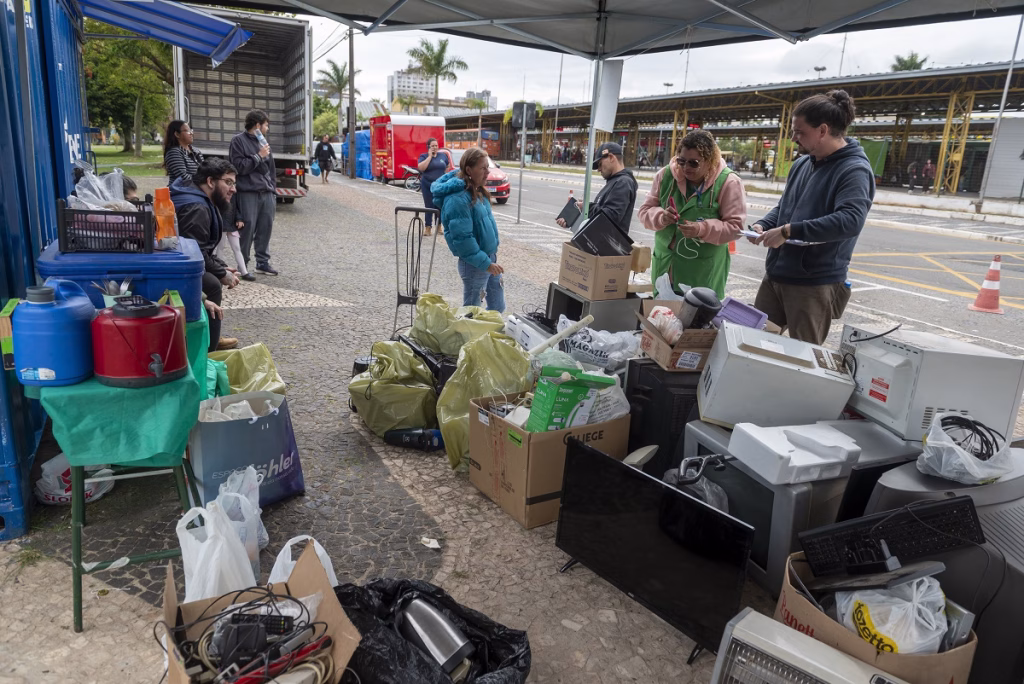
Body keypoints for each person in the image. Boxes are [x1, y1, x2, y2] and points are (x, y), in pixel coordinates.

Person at [749, 89, 875, 345]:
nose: (794, 137)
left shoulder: (854, 170)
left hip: (813, 283)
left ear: (823, 130)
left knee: (804, 356)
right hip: (776, 275)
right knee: (753, 342)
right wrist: (766, 223)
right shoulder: (802, 164)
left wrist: (787, 231)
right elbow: (785, 207)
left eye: (799, 131)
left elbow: (850, 220)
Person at [638, 130, 746, 299]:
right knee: (662, 317)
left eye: (693, 163)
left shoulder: (729, 182)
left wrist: (702, 229)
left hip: (702, 272)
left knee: (695, 320)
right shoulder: (665, 176)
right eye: (681, 161)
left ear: (709, 161)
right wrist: (660, 217)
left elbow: (735, 228)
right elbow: (644, 212)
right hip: (665, 266)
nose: (685, 168)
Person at [170, 159, 241, 352]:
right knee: (212, 284)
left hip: (175, 258)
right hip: (173, 266)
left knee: (213, 277)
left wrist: (221, 266)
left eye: (234, 183)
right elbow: (195, 253)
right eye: (228, 182)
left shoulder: (196, 196)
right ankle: (209, 346)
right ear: (210, 182)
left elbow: (202, 248)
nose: (233, 189)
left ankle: (211, 335)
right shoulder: (197, 208)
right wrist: (221, 273)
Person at [432, 147, 504, 312]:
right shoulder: (457, 199)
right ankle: (469, 337)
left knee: (498, 307)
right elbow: (464, 241)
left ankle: (489, 336)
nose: (487, 172)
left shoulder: (477, 190)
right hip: (476, 264)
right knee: (471, 312)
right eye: (483, 168)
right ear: (469, 170)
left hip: (488, 259)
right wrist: (487, 264)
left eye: (488, 167)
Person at [229, 109, 278, 276]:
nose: (267, 128)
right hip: (247, 192)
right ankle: (243, 265)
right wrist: (258, 156)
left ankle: (262, 262)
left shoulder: (262, 141)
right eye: (266, 125)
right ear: (257, 125)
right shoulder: (238, 141)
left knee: (266, 226)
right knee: (248, 227)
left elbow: (270, 168)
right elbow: (238, 167)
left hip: (266, 192)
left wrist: (272, 187)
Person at [557, 142, 638, 234]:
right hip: (600, 242)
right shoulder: (614, 181)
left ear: (611, 157)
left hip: (607, 246)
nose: (599, 169)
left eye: (600, 164)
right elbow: (599, 214)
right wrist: (573, 218)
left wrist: (587, 207)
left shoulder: (623, 182)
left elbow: (610, 216)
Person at [416, 138, 452, 236]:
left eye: (436, 145)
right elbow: (421, 167)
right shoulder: (424, 156)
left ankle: (439, 226)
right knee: (429, 205)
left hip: (439, 185)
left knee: (439, 205)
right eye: (432, 146)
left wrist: (444, 176)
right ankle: (428, 227)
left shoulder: (443, 156)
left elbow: (447, 166)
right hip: (427, 184)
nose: (435, 147)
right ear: (428, 147)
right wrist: (430, 156)